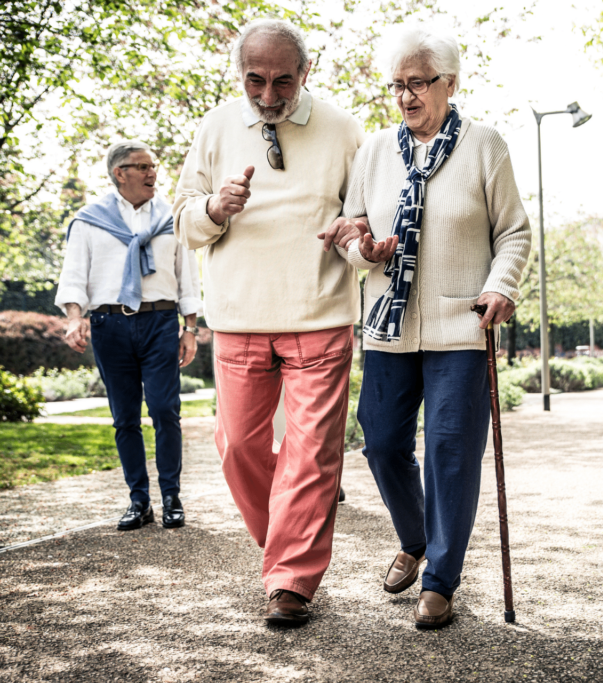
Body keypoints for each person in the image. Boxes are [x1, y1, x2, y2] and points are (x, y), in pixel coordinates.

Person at [321, 25, 530, 629]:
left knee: (450, 451)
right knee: (382, 440)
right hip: (389, 324)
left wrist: (500, 286)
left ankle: (440, 578)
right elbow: (352, 234)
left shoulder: (484, 146)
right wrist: (366, 250)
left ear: (450, 84)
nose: (407, 96)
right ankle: (415, 538)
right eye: (398, 86)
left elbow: (513, 232)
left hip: (460, 325)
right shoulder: (375, 153)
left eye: (418, 83)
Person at [172, 19, 364, 626]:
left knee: (312, 454)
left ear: (306, 73)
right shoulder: (215, 126)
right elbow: (182, 220)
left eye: (284, 81)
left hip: (319, 312)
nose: (269, 95)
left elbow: (363, 216)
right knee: (237, 448)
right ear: (241, 75)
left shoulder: (343, 130)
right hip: (238, 315)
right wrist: (213, 208)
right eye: (256, 80)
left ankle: (290, 579)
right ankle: (286, 543)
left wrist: (353, 233)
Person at [56, 140, 202, 532]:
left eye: (153, 165)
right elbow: (74, 277)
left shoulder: (173, 216)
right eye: (142, 166)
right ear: (120, 173)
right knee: (124, 418)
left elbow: (188, 276)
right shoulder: (89, 220)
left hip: (160, 322)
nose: (152, 172)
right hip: (110, 325)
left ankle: (171, 496)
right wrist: (74, 318)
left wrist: (190, 329)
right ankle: (139, 501)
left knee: (164, 410)